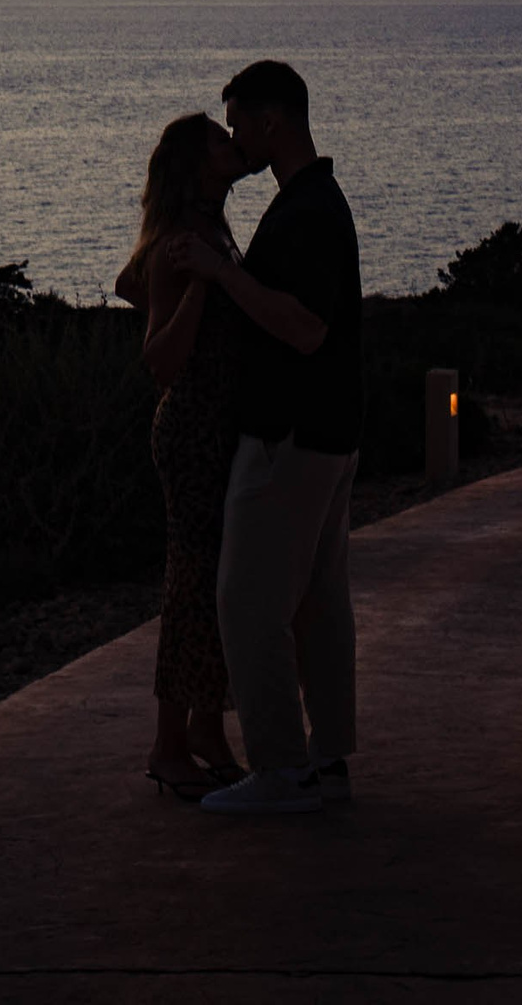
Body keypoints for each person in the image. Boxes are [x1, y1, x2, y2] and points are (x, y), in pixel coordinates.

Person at [181, 60, 363, 816]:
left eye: (237, 124)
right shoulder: (315, 200)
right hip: (329, 431)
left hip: (290, 438)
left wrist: (223, 275)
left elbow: (306, 326)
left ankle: (282, 768)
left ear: (271, 121)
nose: (232, 138)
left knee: (247, 602)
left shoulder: (307, 211)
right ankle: (326, 760)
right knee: (318, 603)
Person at [116, 112, 251, 798]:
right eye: (222, 140)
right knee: (194, 582)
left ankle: (207, 728)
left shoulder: (207, 228)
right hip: (194, 426)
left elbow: (127, 281)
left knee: (218, 581)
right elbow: (161, 360)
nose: (235, 143)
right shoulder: (188, 239)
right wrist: (203, 284)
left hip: (218, 428)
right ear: (201, 164)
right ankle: (169, 742)